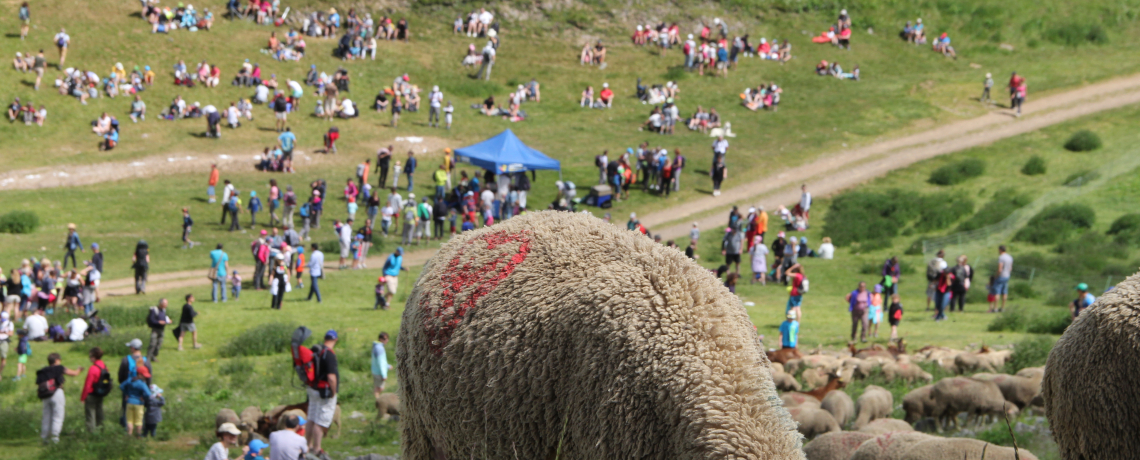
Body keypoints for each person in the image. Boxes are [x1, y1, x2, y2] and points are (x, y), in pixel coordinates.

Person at [305, 330, 339, 456]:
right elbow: (331, 377)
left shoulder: (316, 351)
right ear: (335, 340)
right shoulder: (329, 354)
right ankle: (317, 448)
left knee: (311, 418)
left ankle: (307, 446)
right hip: (324, 391)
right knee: (321, 421)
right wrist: (334, 392)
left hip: (312, 389)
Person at [36, 352, 83, 443]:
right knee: (57, 416)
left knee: (46, 416)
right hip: (57, 392)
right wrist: (79, 370)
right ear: (57, 360)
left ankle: (44, 438)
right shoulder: (59, 368)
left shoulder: (42, 371)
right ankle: (55, 438)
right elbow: (74, 373)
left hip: (45, 395)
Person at [121, 356, 152, 437]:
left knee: (129, 420)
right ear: (140, 374)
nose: (145, 377)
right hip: (139, 403)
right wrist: (143, 397)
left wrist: (126, 393)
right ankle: (138, 435)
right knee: (138, 421)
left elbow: (121, 386)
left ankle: (129, 435)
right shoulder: (142, 384)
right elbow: (148, 394)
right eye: (144, 375)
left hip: (129, 402)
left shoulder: (130, 380)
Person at [80, 347, 108, 432]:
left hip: (91, 394)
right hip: (101, 393)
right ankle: (101, 428)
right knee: (99, 411)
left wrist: (83, 397)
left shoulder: (93, 368)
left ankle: (91, 432)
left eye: (90, 356)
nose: (89, 358)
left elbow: (88, 384)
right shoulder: (104, 366)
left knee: (90, 414)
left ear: (93, 357)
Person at [371, 332, 392, 404]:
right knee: (379, 388)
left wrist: (387, 366)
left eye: (387, 339)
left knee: (378, 387)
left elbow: (381, 361)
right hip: (379, 372)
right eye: (384, 339)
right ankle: (378, 402)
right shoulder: (380, 349)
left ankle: (378, 400)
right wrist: (384, 374)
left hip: (375, 370)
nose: (386, 340)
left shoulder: (376, 346)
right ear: (380, 339)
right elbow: (381, 362)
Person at [991, 245, 1012, 313]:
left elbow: (1000, 269)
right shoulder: (1010, 257)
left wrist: (996, 275)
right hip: (1007, 276)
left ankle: (995, 308)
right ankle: (1002, 308)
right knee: (1004, 292)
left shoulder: (1001, 257)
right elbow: (1010, 268)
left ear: (1000, 250)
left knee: (997, 292)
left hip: (1001, 276)